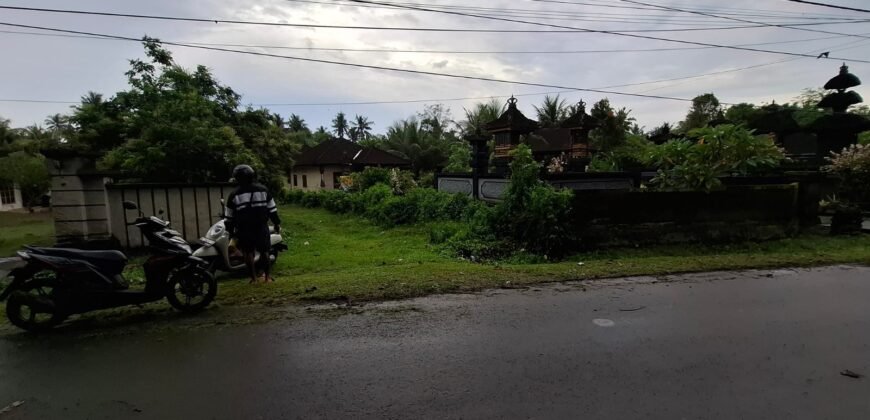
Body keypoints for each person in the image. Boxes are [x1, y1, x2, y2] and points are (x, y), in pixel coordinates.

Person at [224, 165, 281, 284]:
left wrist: (231, 232)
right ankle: (267, 278)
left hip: (244, 229)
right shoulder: (263, 190)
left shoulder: (234, 195)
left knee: (248, 253)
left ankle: (254, 279)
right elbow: (272, 210)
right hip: (261, 227)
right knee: (265, 251)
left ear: (237, 178)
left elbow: (228, 217)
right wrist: (276, 224)